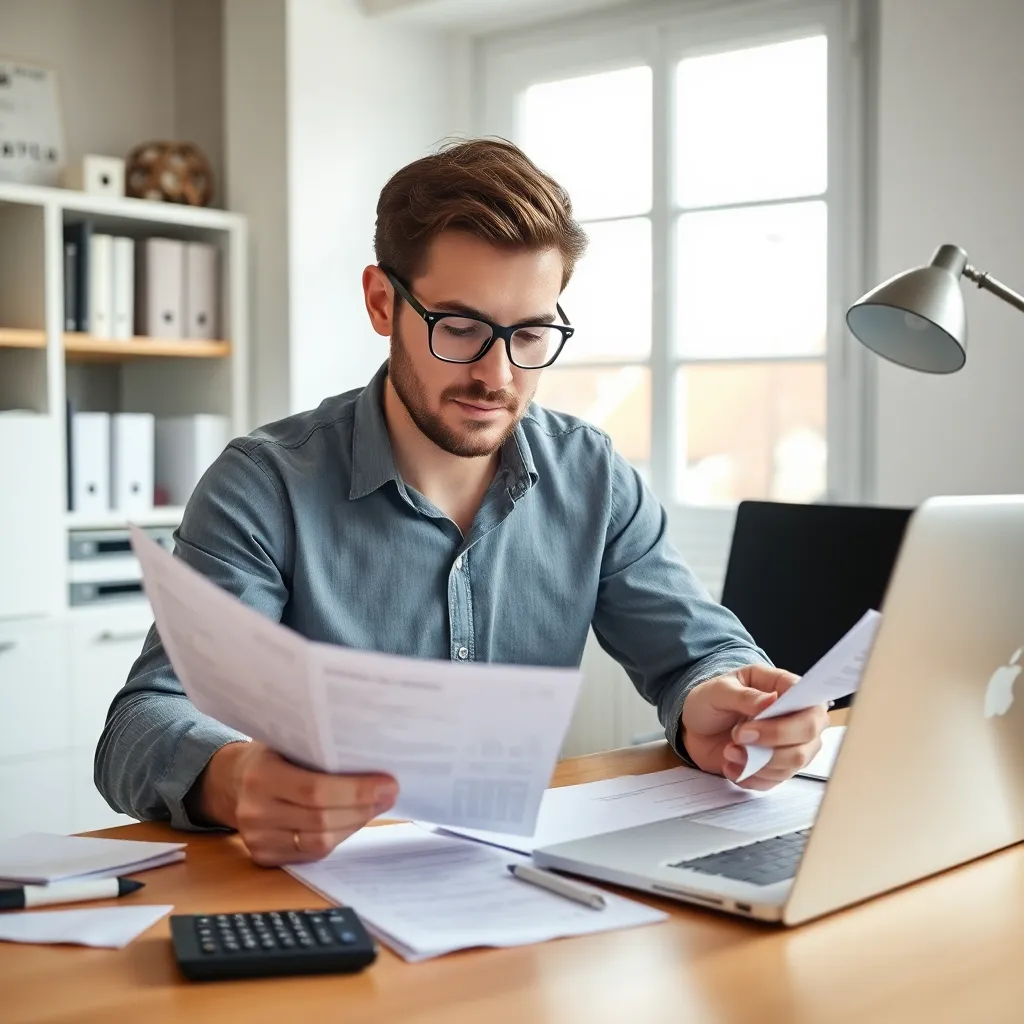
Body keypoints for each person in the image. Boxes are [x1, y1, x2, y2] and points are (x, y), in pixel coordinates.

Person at [96, 138, 828, 867]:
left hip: (519, 884)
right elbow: (142, 721)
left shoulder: (592, 475)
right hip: (316, 890)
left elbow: (700, 654)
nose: (496, 375)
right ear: (382, 303)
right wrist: (233, 779)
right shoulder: (264, 486)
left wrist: (722, 706)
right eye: (461, 328)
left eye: (530, 333)